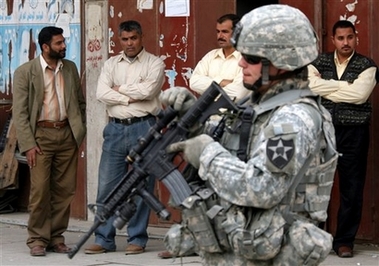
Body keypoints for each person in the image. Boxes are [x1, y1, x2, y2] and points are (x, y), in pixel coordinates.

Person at [160, 4, 338, 266]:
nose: (242, 63)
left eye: (252, 58)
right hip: (240, 249)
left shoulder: (293, 118)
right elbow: (233, 154)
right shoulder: (257, 107)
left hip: (270, 254)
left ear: (281, 63)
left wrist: (207, 153)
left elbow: (261, 188)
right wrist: (193, 122)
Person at [84, 20, 165, 255]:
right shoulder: (111, 64)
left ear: (141, 37)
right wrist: (130, 95)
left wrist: (119, 90)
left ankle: (137, 238)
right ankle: (103, 238)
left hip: (145, 128)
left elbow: (149, 91)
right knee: (107, 187)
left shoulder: (155, 63)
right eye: (125, 39)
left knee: (141, 186)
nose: (129, 43)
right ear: (119, 40)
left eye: (133, 38)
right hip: (116, 130)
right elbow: (101, 93)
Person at [12, 26, 86, 257]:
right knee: (40, 191)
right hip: (40, 136)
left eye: (63, 42)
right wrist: (28, 144)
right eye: (59, 43)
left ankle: (56, 238)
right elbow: (20, 113)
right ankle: (37, 239)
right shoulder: (25, 72)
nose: (64, 46)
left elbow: (79, 103)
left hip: (67, 135)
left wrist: (79, 131)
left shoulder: (70, 68)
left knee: (64, 191)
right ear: (45, 47)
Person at [308, 20, 379, 258]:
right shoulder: (319, 62)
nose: (345, 42)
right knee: (316, 186)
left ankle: (344, 241)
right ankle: (316, 239)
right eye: (341, 38)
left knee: (352, 187)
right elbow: (309, 86)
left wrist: (324, 87)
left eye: (350, 37)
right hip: (323, 130)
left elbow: (359, 95)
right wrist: (343, 86)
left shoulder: (366, 65)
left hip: (354, 132)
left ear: (356, 37)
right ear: (333, 40)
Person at [189, 13, 250, 102]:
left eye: (225, 32)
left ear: (237, 33)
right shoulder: (210, 56)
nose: (220, 36)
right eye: (218, 31)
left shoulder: (246, 59)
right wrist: (221, 82)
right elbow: (193, 82)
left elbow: (239, 94)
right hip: (208, 115)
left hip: (233, 114)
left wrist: (209, 90)